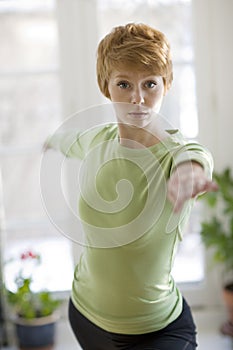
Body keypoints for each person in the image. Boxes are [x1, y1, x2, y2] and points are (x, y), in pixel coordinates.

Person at [45, 23, 217, 349]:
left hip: (157, 329)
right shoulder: (98, 140)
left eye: (150, 84)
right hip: (85, 315)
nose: (138, 98)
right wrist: (50, 140)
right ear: (105, 86)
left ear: (166, 86)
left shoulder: (176, 153)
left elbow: (196, 157)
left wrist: (189, 174)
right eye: (124, 84)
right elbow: (70, 140)